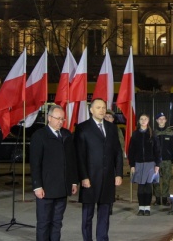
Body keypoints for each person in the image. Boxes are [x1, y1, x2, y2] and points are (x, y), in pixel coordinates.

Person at [75, 98, 124, 241]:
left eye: (103, 107)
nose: (102, 110)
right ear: (91, 110)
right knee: (88, 215)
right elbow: (80, 155)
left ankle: (102, 238)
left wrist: (118, 173)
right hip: (90, 179)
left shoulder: (111, 128)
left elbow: (118, 152)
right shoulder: (82, 128)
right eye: (98, 107)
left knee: (104, 214)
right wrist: (84, 177)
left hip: (108, 178)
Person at [31, 106, 78, 241]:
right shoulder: (40, 136)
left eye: (62, 119)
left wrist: (73, 181)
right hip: (46, 189)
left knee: (57, 223)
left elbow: (71, 160)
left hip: (62, 188)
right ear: (49, 118)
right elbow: (35, 163)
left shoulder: (67, 135)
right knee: (44, 223)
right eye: (57, 119)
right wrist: (37, 186)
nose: (60, 122)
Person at [129, 114, 161, 216]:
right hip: (138, 164)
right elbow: (131, 151)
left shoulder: (153, 134)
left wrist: (157, 164)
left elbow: (157, 150)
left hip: (150, 164)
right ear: (139, 121)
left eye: (145, 119)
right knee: (140, 186)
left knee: (148, 186)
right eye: (141, 119)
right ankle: (141, 208)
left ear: (148, 121)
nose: (143, 121)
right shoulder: (135, 134)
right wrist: (132, 165)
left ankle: (147, 208)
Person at [152, 112, 173, 206]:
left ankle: (165, 198)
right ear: (157, 120)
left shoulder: (170, 132)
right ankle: (158, 199)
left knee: (166, 179)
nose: (162, 120)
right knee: (156, 180)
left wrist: (168, 154)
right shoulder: (153, 132)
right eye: (160, 119)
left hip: (167, 160)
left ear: (166, 120)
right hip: (155, 161)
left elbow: (172, 145)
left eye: (163, 119)